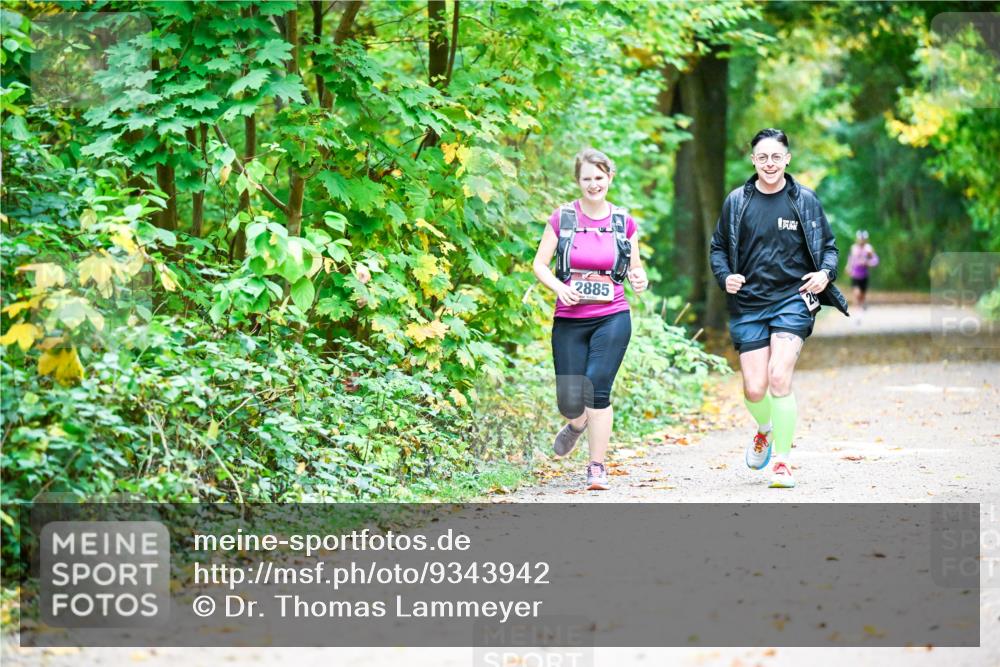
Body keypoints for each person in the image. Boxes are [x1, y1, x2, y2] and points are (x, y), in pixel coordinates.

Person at [709, 128, 849, 488]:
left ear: (787, 159)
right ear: (753, 160)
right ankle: (765, 430)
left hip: (794, 299)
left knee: (778, 377)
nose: (769, 163)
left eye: (776, 157)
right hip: (749, 303)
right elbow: (718, 248)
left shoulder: (804, 200)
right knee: (755, 389)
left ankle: (783, 462)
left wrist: (824, 274)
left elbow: (830, 248)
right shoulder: (737, 201)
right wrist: (725, 276)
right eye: (762, 157)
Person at [532, 148, 648, 491]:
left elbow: (635, 267)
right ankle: (577, 422)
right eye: (587, 179)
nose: (594, 184)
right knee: (569, 400)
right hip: (570, 316)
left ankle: (596, 466)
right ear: (578, 181)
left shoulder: (622, 223)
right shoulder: (563, 218)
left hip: (612, 315)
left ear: (609, 177)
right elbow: (540, 264)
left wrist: (640, 279)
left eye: (599, 177)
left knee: (597, 387)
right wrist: (558, 286)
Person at [847, 230, 879, 311]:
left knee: (862, 295)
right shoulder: (853, 248)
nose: (861, 241)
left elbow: (875, 260)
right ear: (857, 239)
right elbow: (850, 259)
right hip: (855, 274)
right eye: (860, 239)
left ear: (866, 239)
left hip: (864, 275)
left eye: (863, 239)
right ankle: (857, 313)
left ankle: (862, 305)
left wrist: (868, 263)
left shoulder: (868, 249)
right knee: (856, 293)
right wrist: (848, 267)